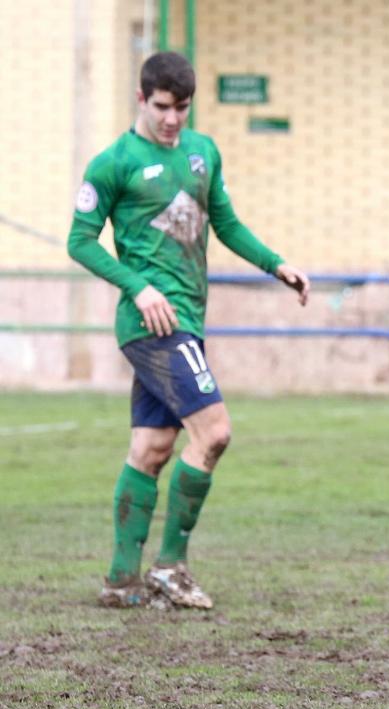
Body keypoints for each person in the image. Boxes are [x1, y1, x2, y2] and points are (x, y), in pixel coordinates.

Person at [67, 52, 310, 610]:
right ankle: (171, 569)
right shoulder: (113, 163)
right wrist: (139, 287)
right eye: (162, 107)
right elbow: (79, 240)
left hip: (188, 322)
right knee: (215, 432)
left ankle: (120, 580)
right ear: (140, 99)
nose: (172, 118)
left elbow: (224, 222)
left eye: (181, 107)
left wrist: (276, 264)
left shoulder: (202, 153)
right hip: (152, 322)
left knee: (153, 448)